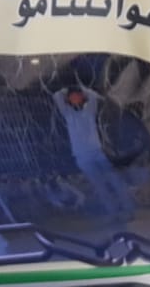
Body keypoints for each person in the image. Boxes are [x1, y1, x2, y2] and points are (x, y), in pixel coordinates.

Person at [52, 82, 133, 220]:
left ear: (82, 98)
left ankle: (128, 209)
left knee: (115, 180)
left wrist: (83, 90)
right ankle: (113, 211)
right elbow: (57, 96)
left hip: (97, 153)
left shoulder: (89, 111)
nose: (75, 99)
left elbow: (94, 97)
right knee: (100, 186)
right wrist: (67, 90)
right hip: (82, 157)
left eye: (77, 97)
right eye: (72, 97)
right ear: (69, 100)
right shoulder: (68, 114)